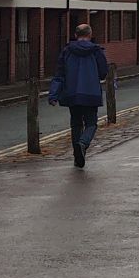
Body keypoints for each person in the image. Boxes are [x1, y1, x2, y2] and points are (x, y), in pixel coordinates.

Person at [49, 23, 109, 169]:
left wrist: (53, 95)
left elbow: (59, 75)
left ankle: (78, 158)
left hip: (72, 93)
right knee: (91, 123)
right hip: (91, 93)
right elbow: (103, 72)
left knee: (76, 124)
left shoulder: (67, 51)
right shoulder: (96, 51)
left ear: (76, 35)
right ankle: (83, 144)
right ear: (90, 35)